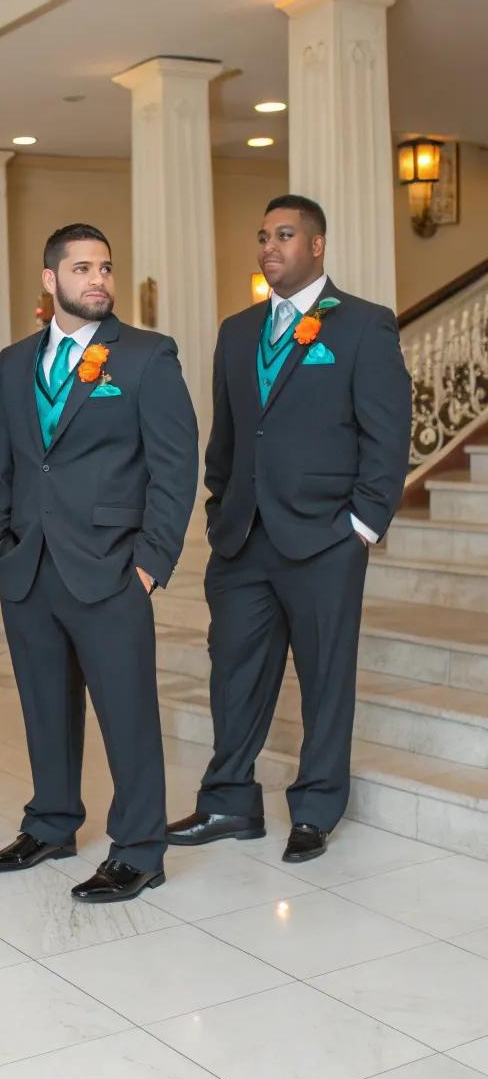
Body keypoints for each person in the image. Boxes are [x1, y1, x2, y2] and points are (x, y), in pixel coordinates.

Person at [167, 194, 411, 863]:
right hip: (244, 537)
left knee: (326, 675)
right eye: (262, 235)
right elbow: (229, 435)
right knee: (233, 671)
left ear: (316, 246)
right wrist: (219, 511)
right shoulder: (238, 331)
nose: (269, 247)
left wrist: (362, 525)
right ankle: (228, 801)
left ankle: (316, 807)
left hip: (326, 538)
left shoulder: (362, 326)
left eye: (284, 235)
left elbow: (387, 436)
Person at [0, 224, 198, 902]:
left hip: (110, 566)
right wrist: (0, 542)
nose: (97, 279)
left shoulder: (145, 356)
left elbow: (174, 466)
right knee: (44, 707)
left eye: (104, 267)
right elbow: (3, 463)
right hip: (30, 565)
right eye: (81, 268)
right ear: (50, 281)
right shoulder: (15, 363)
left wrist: (150, 562)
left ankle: (139, 848)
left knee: (127, 712)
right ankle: (51, 823)